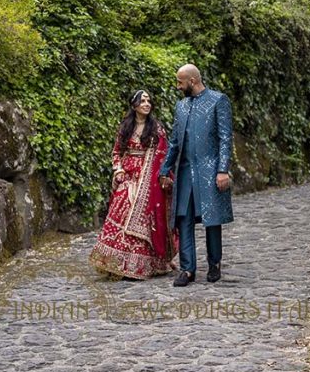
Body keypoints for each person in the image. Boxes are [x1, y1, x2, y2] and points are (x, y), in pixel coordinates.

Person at [89, 89, 178, 279]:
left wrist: (161, 176)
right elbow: (116, 152)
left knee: (145, 215)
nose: (147, 104)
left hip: (149, 181)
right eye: (142, 101)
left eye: (148, 101)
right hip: (128, 176)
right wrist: (118, 170)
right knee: (122, 207)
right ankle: (117, 261)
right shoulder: (125, 128)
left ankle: (143, 264)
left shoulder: (156, 129)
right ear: (134, 105)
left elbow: (164, 155)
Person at [159, 64, 234, 286]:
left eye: (180, 82)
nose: (177, 86)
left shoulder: (218, 100)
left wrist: (222, 170)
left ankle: (214, 264)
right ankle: (188, 269)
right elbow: (174, 142)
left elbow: (225, 138)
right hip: (184, 172)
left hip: (210, 171)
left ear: (192, 81)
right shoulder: (181, 106)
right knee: (183, 218)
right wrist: (165, 169)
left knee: (212, 218)